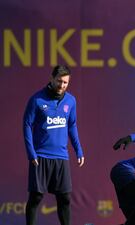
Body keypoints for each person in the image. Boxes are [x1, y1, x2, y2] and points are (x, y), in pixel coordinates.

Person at [23, 65, 85, 225]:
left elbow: (72, 125)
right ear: (52, 78)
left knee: (64, 198)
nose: (62, 85)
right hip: (41, 155)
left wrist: (78, 150)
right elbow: (27, 125)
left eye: (65, 83)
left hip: (61, 156)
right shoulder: (37, 99)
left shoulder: (71, 101)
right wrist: (31, 153)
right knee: (36, 197)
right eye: (59, 81)